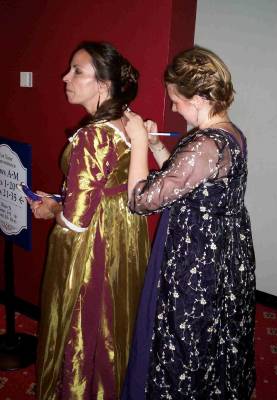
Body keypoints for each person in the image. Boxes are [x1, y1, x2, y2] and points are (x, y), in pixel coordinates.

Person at [121, 46, 256, 399]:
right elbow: (188, 184)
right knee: (213, 342)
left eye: (176, 100)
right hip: (222, 256)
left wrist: (136, 144)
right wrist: (154, 146)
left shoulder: (204, 144)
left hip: (196, 264)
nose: (174, 107)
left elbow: (140, 200)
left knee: (185, 346)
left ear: (198, 97)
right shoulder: (229, 134)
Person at [29, 41, 150, 399]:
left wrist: (50, 209)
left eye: (76, 71)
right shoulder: (124, 122)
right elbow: (103, 190)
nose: (65, 77)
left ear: (103, 85)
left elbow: (75, 223)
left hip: (93, 248)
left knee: (83, 326)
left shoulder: (93, 136)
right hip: (119, 237)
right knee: (110, 326)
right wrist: (63, 199)